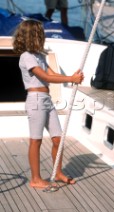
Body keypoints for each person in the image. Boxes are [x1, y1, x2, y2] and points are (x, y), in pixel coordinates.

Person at [12, 20, 84, 190]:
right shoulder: (26, 57)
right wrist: (70, 79)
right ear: (33, 36)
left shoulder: (40, 55)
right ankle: (35, 178)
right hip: (35, 100)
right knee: (36, 141)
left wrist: (72, 76)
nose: (42, 36)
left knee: (58, 139)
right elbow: (45, 77)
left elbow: (52, 74)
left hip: (46, 99)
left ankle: (58, 172)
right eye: (39, 34)